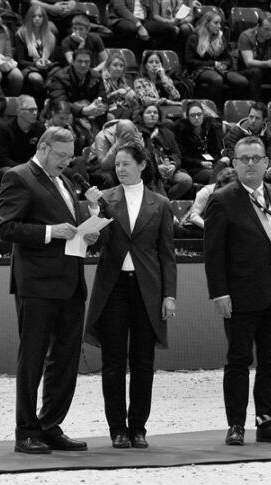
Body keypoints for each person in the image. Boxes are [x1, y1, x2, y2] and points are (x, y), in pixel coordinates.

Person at [204, 135, 271, 446]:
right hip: (239, 296)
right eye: (244, 159)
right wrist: (219, 293)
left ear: (267, 163)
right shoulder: (221, 199)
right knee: (238, 361)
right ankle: (236, 425)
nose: (250, 163)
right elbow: (213, 254)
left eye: (256, 158)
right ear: (235, 164)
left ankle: (266, 423)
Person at [0, 127, 99, 454]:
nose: (66, 162)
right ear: (42, 147)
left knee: (65, 360)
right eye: (61, 155)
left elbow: (70, 228)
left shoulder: (64, 181)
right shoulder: (19, 176)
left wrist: (87, 231)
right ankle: (26, 431)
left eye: (70, 156)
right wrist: (50, 232)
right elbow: (5, 227)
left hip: (70, 282)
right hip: (37, 284)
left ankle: (50, 425)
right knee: (33, 359)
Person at [84, 143, 177, 450]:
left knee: (143, 361)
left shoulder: (160, 203)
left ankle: (138, 428)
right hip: (113, 288)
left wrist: (169, 295)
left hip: (147, 288)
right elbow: (99, 242)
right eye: (117, 165)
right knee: (112, 362)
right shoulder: (104, 198)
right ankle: (117, 429)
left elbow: (167, 253)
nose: (120, 169)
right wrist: (93, 212)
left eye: (126, 163)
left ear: (142, 165)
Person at [184, 11, 249, 109]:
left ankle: (232, 109)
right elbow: (189, 61)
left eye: (220, 23)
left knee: (242, 81)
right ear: (206, 23)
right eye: (216, 23)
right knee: (217, 79)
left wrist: (225, 64)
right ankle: (213, 109)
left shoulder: (220, 37)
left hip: (219, 69)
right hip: (199, 69)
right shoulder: (194, 38)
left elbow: (228, 58)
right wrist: (213, 63)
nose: (219, 26)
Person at [220, 102, 271, 188]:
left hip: (259, 169)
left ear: (264, 120)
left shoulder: (269, 135)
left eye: (257, 118)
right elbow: (232, 153)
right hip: (241, 167)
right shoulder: (237, 131)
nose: (253, 121)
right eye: (251, 117)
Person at [136, 102, 193, 199]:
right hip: (149, 172)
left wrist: (173, 165)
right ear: (142, 115)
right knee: (154, 181)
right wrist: (157, 167)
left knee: (186, 180)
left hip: (168, 169)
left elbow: (177, 154)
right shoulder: (137, 132)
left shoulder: (167, 133)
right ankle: (162, 200)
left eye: (155, 113)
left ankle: (166, 200)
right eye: (149, 112)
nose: (152, 115)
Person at [46, 48, 107, 134]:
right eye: (80, 61)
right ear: (73, 62)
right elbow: (59, 102)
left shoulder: (97, 76)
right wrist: (83, 110)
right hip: (67, 113)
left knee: (111, 118)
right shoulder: (59, 76)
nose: (83, 65)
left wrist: (98, 107)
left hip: (92, 113)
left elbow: (103, 98)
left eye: (86, 62)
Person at [14, 5, 61, 106]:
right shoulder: (21, 34)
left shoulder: (50, 36)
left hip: (46, 68)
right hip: (29, 68)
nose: (37, 19)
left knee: (59, 74)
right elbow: (20, 61)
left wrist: (47, 62)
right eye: (33, 16)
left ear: (44, 19)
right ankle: (40, 106)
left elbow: (51, 59)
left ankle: (52, 104)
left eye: (40, 16)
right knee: (36, 79)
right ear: (29, 18)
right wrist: (36, 64)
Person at [0, 94, 46, 182]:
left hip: (32, 168)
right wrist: (24, 168)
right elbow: (2, 158)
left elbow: (43, 153)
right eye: (31, 110)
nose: (35, 113)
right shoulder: (5, 128)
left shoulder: (40, 128)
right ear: (19, 111)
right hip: (11, 167)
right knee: (10, 173)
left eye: (36, 109)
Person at [174, 100, 223, 184]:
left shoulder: (210, 127)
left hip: (211, 163)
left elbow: (217, 150)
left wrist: (214, 161)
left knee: (228, 171)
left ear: (203, 114)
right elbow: (183, 156)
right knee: (215, 175)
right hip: (194, 167)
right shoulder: (182, 129)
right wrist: (200, 163)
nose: (196, 118)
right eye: (193, 115)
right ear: (187, 117)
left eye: (199, 114)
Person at [107, 0, 179, 51]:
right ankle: (129, 61)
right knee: (131, 29)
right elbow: (120, 8)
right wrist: (139, 25)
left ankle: (151, 56)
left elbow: (149, 12)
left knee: (170, 29)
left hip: (143, 21)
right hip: (122, 19)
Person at [184, 166, 237, 230]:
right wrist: (209, 228)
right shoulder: (207, 191)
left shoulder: (237, 192)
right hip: (200, 226)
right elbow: (193, 216)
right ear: (222, 183)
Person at [101, 52, 139, 121]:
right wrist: (116, 93)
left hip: (123, 111)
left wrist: (133, 97)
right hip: (108, 111)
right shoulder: (103, 81)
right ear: (108, 67)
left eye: (121, 66)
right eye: (115, 65)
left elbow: (134, 105)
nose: (118, 68)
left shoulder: (123, 83)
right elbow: (102, 100)